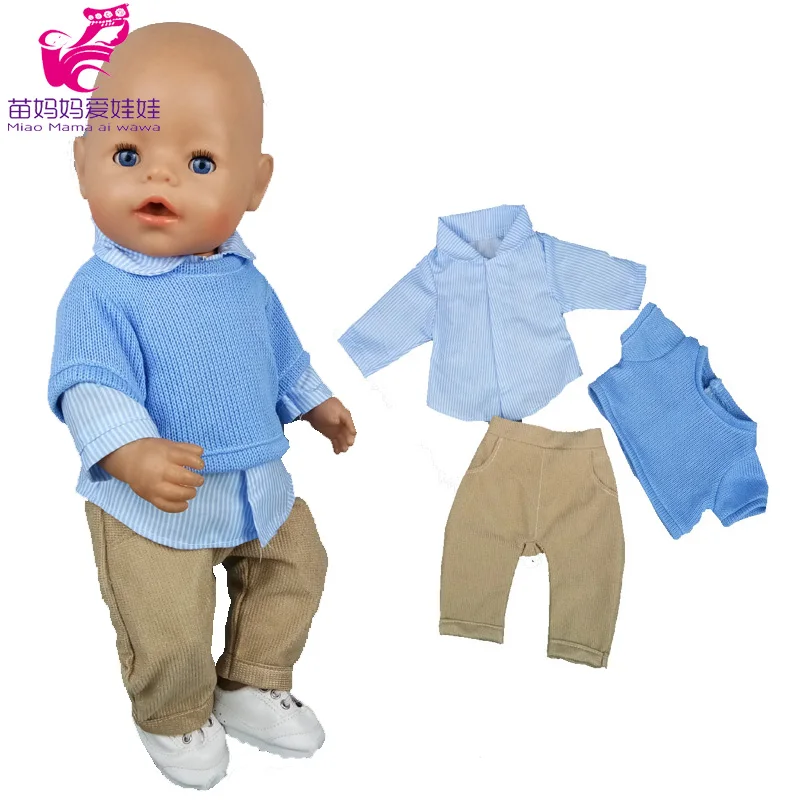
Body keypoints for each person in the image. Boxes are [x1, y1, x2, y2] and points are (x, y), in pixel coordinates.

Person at [47, 21, 356, 790]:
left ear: (254, 185)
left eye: (202, 162)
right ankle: (174, 714)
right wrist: (130, 451)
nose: (162, 176)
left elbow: (281, 357)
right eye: (128, 155)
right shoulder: (101, 291)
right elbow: (88, 383)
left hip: (256, 488)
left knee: (297, 565)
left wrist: (315, 403)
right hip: (152, 509)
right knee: (168, 625)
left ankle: (250, 679)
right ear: (83, 164)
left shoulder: (248, 282)